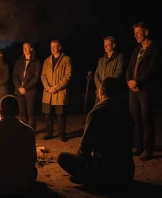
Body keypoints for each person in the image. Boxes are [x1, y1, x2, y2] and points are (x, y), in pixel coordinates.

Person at [57, 77, 135, 187]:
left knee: (62, 157)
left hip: (104, 171)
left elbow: (85, 148)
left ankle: (92, 179)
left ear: (102, 91)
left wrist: (82, 161)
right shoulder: (126, 112)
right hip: (126, 172)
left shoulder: (97, 112)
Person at [126, 21, 159, 161]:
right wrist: (129, 82)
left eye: (139, 33)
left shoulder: (154, 49)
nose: (136, 36)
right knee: (135, 118)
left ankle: (148, 149)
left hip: (146, 89)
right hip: (133, 90)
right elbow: (129, 68)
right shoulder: (137, 50)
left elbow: (152, 69)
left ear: (146, 32)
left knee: (146, 118)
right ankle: (136, 146)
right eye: (135, 34)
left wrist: (137, 81)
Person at [41, 40, 72, 142]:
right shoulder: (47, 61)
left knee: (60, 114)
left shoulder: (66, 59)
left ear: (60, 47)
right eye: (51, 46)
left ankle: (62, 135)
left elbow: (68, 76)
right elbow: (43, 75)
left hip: (59, 92)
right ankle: (49, 134)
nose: (53, 48)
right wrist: (47, 86)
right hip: (48, 92)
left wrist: (56, 87)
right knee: (48, 114)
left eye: (55, 46)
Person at [13, 42, 40, 130]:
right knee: (21, 112)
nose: (25, 49)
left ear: (31, 49)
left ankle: (31, 130)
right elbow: (15, 76)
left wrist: (26, 87)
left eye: (27, 48)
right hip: (19, 91)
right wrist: (19, 87)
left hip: (30, 91)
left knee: (30, 112)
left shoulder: (35, 61)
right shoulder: (19, 61)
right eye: (23, 48)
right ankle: (24, 130)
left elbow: (36, 77)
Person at [94, 36, 124, 104]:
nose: (105, 47)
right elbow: (96, 74)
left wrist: (106, 86)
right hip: (100, 92)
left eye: (107, 45)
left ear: (113, 45)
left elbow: (119, 73)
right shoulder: (101, 59)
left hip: (111, 93)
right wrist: (100, 87)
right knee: (97, 112)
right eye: (104, 45)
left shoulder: (119, 57)